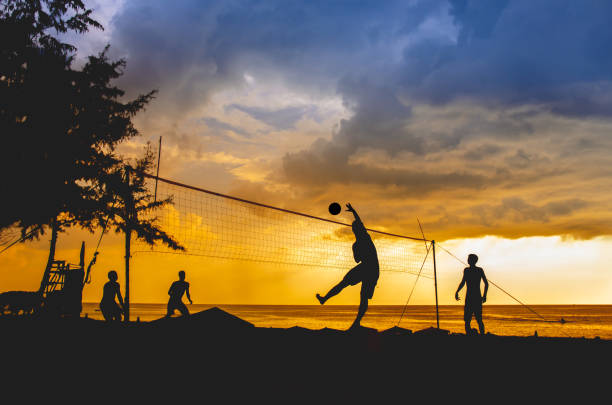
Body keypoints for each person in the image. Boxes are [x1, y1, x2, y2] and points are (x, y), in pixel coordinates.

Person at [316, 203, 379, 330]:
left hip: (372, 269)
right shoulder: (356, 244)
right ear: (354, 230)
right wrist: (359, 252)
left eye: (357, 227)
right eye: (355, 228)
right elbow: (357, 260)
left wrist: (354, 211)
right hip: (365, 267)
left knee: (363, 296)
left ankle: (356, 323)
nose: (356, 229)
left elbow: (359, 221)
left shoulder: (364, 238)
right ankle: (324, 299)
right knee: (343, 283)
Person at [455, 254, 489, 335]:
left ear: (473, 260)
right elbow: (463, 282)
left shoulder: (478, 270)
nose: (467, 260)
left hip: (474, 297)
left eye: (469, 259)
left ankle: (481, 335)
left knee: (477, 319)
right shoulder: (467, 270)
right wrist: (457, 291)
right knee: (468, 319)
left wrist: (484, 296)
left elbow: (486, 283)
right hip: (472, 297)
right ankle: (471, 335)